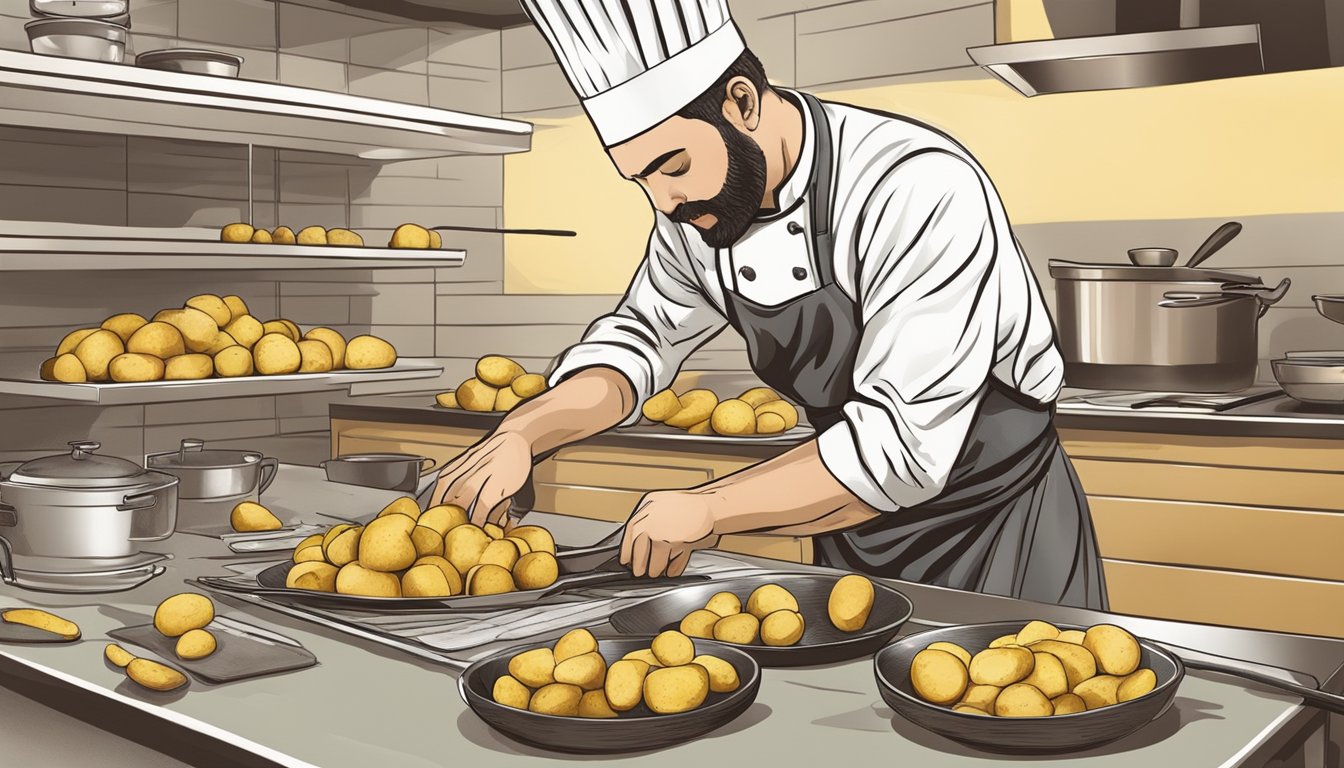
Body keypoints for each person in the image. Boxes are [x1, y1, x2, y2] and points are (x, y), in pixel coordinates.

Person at [433, 0, 1107, 609]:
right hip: (849, 522)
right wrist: (522, 434)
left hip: (997, 528)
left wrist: (709, 509)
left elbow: (902, 447)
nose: (664, 202)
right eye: (642, 180)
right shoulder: (700, 212)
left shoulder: (916, 185)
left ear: (742, 101)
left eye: (671, 167)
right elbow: (637, 346)